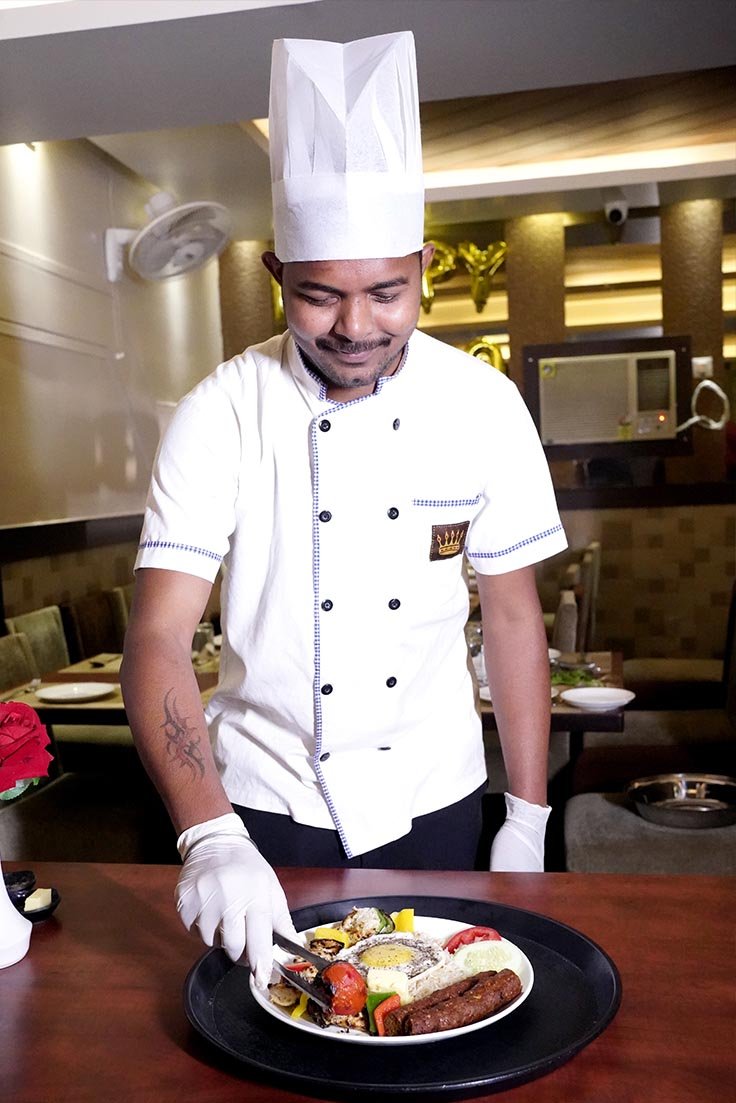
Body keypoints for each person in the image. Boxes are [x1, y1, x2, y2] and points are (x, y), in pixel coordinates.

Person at [120, 31, 567, 990]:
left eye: (387, 293)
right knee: (271, 1036)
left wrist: (526, 816)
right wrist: (208, 832)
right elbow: (157, 638)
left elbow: (513, 614)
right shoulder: (221, 411)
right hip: (263, 811)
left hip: (438, 801)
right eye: (320, 296)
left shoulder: (483, 404)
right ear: (277, 273)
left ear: (426, 265)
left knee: (439, 1018)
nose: (357, 327)